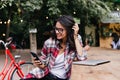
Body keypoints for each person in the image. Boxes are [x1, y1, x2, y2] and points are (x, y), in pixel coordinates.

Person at [21, 15, 90, 80]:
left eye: (60, 30)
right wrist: (40, 64)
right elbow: (44, 64)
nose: (57, 32)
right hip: (44, 74)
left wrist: (75, 36)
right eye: (56, 29)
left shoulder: (76, 39)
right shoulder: (49, 43)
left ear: (69, 30)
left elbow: (82, 57)